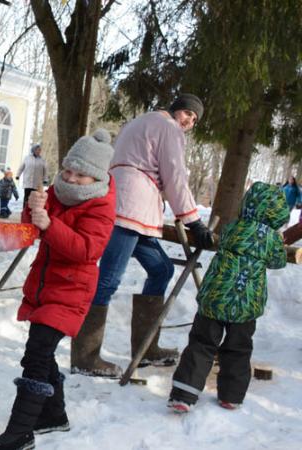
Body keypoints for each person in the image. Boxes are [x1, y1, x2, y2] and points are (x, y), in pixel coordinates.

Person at [71, 93, 216, 378]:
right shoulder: (168, 127)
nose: (189, 121)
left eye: (194, 120)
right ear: (176, 108)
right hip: (130, 204)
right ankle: (86, 356)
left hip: (132, 204)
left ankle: (147, 348)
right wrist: (193, 221)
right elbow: (174, 174)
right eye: (188, 113)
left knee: (160, 269)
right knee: (109, 279)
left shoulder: (141, 121)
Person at [0, 130, 116, 450]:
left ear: (97, 177)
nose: (72, 177)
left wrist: (49, 224)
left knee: (36, 355)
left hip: (71, 291)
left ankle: (20, 432)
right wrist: (34, 208)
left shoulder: (101, 206)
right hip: (45, 285)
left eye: (81, 174)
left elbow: (87, 249)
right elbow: (35, 229)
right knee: (43, 354)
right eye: (68, 170)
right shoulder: (60, 191)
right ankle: (54, 414)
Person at [168, 182, 288, 413]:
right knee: (238, 348)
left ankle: (184, 394)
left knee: (201, 343)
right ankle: (231, 396)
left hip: (216, 297)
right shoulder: (271, 239)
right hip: (245, 305)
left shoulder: (233, 227)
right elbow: (278, 261)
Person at [17, 143, 48, 222]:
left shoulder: (42, 160)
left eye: (40, 150)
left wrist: (45, 179)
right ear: (34, 150)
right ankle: (24, 211)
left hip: (37, 183)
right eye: (38, 150)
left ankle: (33, 212)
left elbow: (45, 171)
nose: (39, 151)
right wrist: (18, 175)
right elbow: (21, 167)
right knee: (27, 197)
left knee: (35, 198)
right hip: (28, 181)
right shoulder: (27, 158)